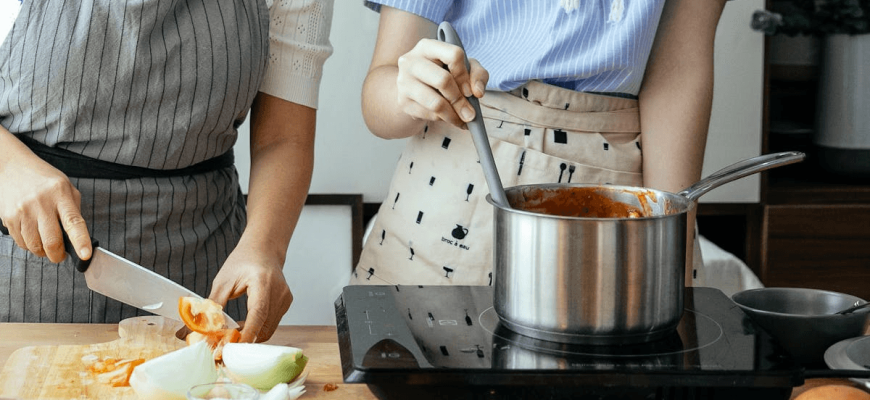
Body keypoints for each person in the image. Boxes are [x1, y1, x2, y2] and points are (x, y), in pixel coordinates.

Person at [0, 0, 334, 343]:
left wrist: (265, 247)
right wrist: (7, 167)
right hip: (27, 269)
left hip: (204, 267)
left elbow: (283, 139)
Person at [351, 1, 728, 287]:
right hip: (449, 187)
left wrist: (669, 240)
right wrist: (413, 87)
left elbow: (679, 71)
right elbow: (378, 99)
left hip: (619, 185)